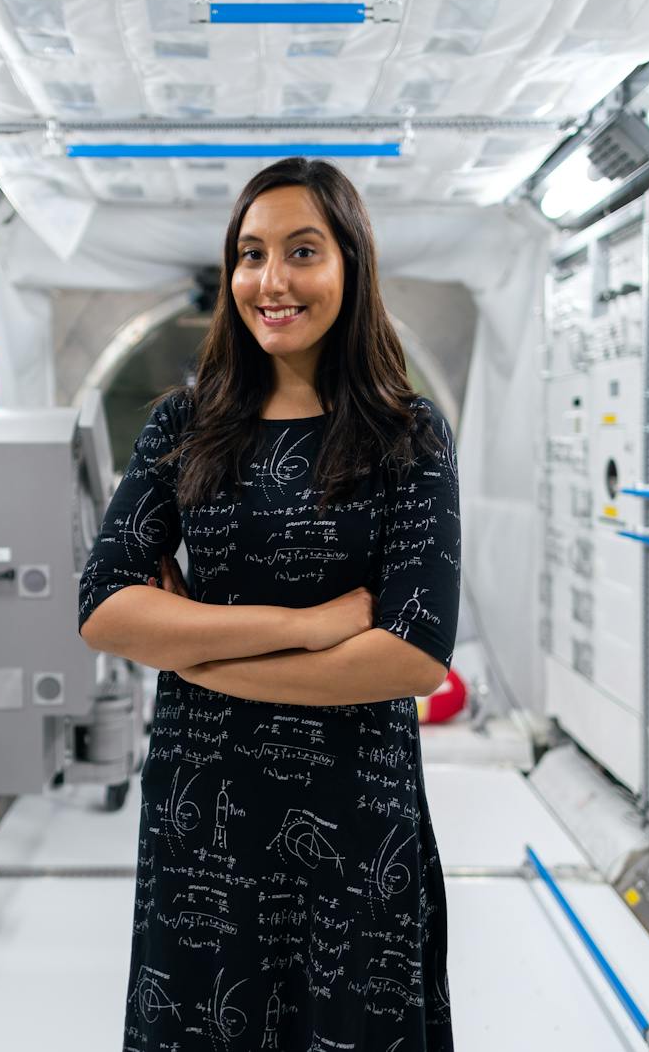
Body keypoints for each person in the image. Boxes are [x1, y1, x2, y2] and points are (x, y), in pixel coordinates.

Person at [78, 155, 460, 1052]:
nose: (272, 280)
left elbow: (412, 655)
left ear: (351, 267)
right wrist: (310, 627)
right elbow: (104, 604)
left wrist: (194, 650)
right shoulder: (185, 423)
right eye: (251, 254)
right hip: (203, 814)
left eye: (302, 251)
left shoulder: (407, 433)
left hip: (355, 817)